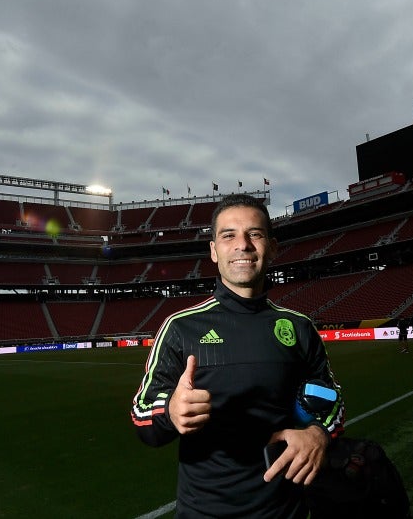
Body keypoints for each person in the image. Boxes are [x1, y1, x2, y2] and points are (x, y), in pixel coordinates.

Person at [131, 194, 345, 518]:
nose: (242, 245)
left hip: (287, 511)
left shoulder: (299, 328)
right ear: (214, 251)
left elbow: (332, 399)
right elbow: (142, 413)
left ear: (272, 247)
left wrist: (319, 433)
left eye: (254, 234)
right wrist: (171, 409)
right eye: (228, 235)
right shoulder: (180, 328)